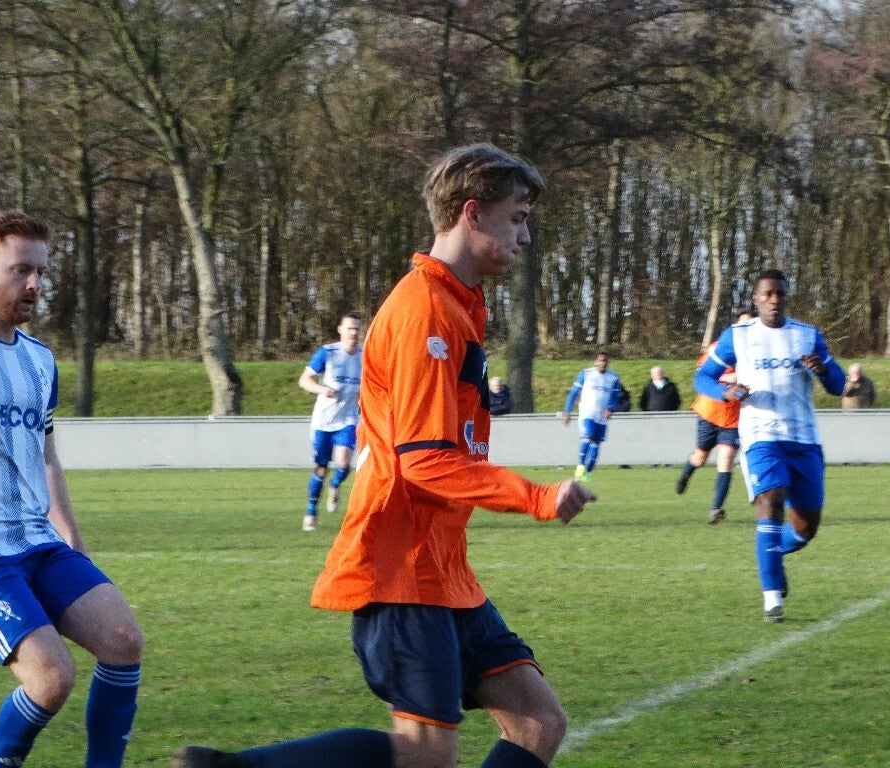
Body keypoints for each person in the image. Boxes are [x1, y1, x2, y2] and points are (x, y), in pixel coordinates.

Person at [174, 144, 596, 768]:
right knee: (425, 753)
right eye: (518, 218)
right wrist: (536, 497)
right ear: (472, 213)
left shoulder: (457, 305)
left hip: (444, 569)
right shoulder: (425, 308)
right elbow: (423, 459)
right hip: (403, 568)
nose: (525, 236)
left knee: (538, 722)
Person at [0, 210, 143, 767]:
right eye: (20, 271)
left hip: (38, 539)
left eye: (40, 272)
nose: (34, 284)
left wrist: (71, 536)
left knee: (123, 641)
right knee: (51, 679)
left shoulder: (41, 360)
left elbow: (47, 456)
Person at [695, 269, 844, 623]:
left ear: (787, 297)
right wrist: (726, 392)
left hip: (804, 439)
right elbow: (702, 377)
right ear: (756, 298)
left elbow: (838, 386)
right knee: (770, 500)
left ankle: (776, 553)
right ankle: (772, 600)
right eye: (768, 294)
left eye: (780, 294)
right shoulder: (737, 336)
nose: (774, 299)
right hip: (760, 436)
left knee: (806, 528)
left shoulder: (807, 335)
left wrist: (823, 370)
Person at [675, 310, 753, 525]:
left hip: (734, 417)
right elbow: (703, 373)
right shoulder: (720, 346)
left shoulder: (756, 350)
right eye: (743, 324)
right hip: (710, 411)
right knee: (700, 457)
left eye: (751, 323)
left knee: (725, 460)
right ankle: (686, 474)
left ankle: (716, 508)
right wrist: (730, 378)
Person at [298, 312, 363, 531]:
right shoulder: (327, 353)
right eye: (350, 328)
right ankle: (311, 512)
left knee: (343, 463)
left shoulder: (365, 355)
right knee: (321, 469)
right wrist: (322, 389)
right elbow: (304, 380)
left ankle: (335, 485)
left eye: (357, 328)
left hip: (348, 418)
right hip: (323, 421)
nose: (353, 332)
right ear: (340, 330)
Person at [561, 352, 622, 482]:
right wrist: (567, 411)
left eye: (605, 361)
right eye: (600, 360)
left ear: (608, 362)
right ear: (596, 361)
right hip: (587, 413)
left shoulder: (613, 377)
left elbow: (615, 397)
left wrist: (611, 408)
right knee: (587, 438)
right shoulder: (586, 374)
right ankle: (580, 466)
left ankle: (588, 473)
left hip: (601, 416)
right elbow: (574, 393)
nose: (602, 363)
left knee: (595, 444)